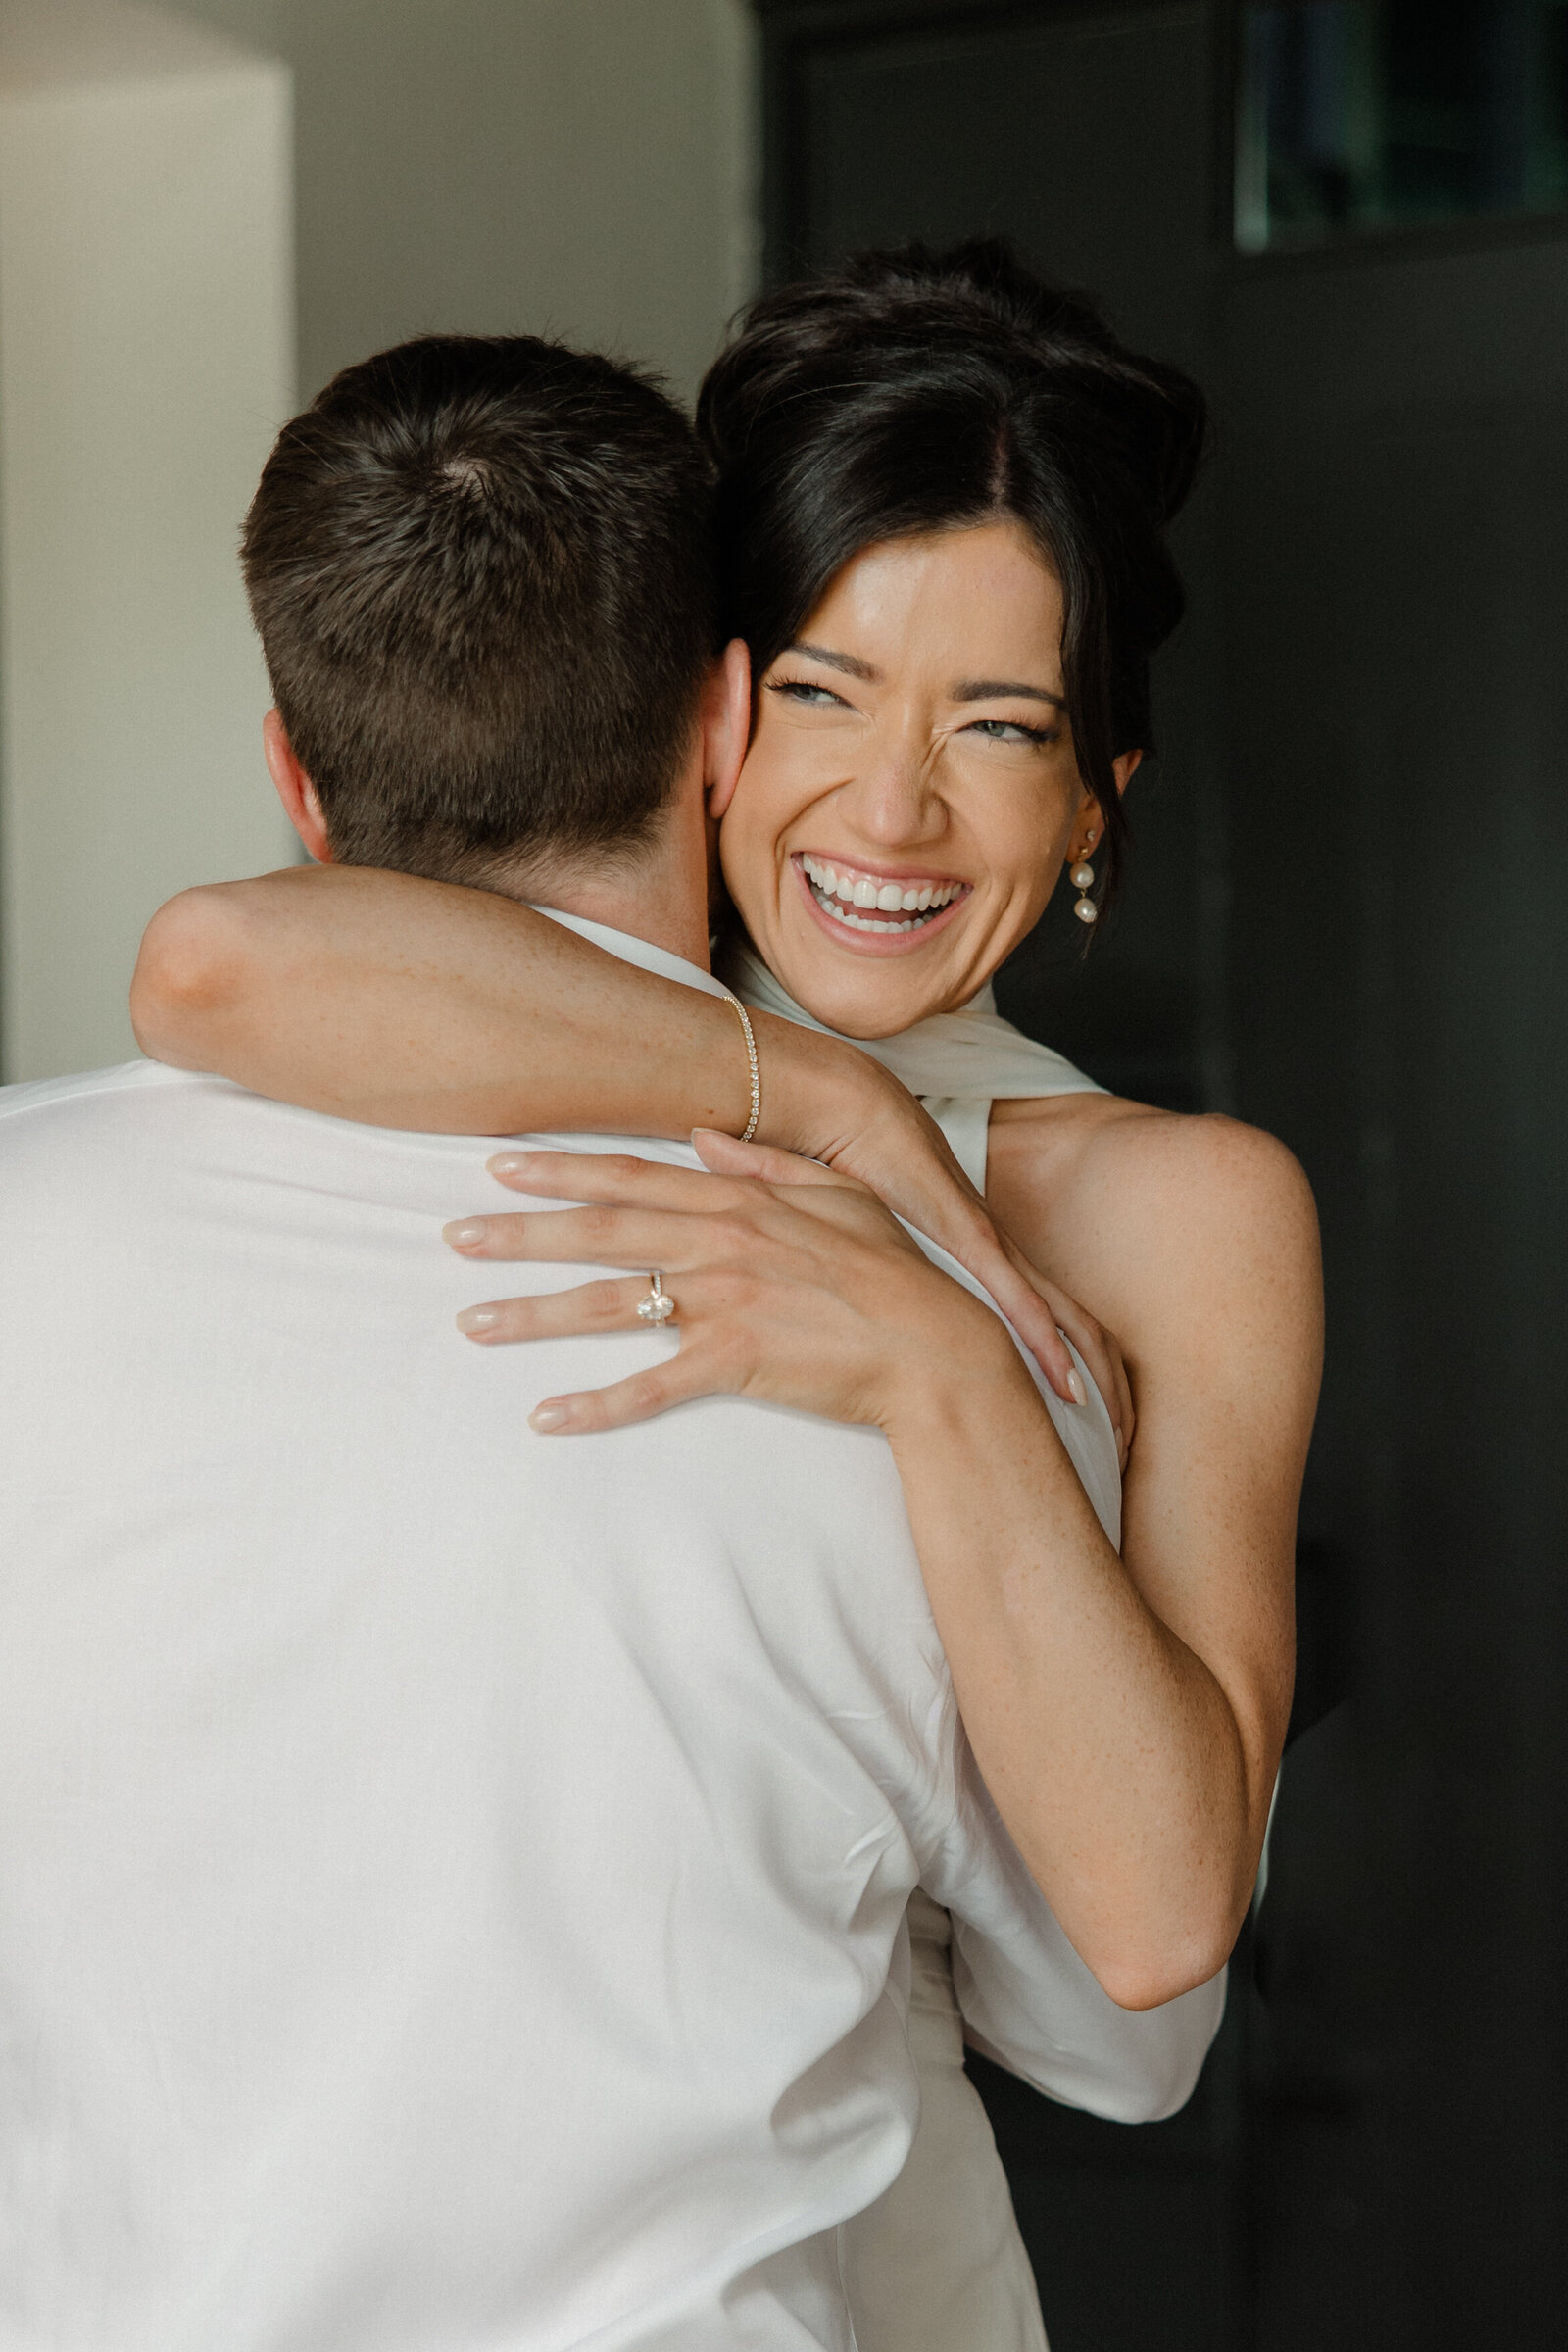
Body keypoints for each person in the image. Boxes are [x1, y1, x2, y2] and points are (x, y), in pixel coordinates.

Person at [133, 245, 1321, 2350]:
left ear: (1088, 814)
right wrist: (836, 1111)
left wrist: (945, 1366)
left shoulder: (1177, 1210)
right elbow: (219, 965)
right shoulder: (568, 1035)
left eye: (1000, 724)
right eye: (828, 692)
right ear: (711, 716)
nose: (891, 808)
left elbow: (1146, 1986)